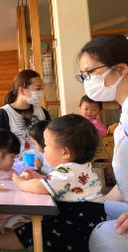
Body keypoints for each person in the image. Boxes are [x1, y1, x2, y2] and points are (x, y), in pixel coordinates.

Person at [0, 114, 106, 252]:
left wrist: (19, 182)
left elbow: (41, 187)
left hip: (77, 226)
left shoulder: (68, 171)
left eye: (47, 145)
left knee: (38, 230)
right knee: (36, 226)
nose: (44, 150)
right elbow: (55, 184)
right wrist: (39, 177)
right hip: (83, 221)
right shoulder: (79, 168)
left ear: (65, 152)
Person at [77, 35, 128, 252]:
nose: (87, 79)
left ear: (122, 69)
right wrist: (97, 200)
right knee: (80, 211)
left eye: (90, 72)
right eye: (83, 75)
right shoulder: (123, 113)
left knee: (101, 236)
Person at [0, 69, 51, 153]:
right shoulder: (4, 114)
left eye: (42, 89)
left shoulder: (42, 112)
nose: (41, 92)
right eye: (37, 89)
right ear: (22, 90)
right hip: (15, 164)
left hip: (42, 163)